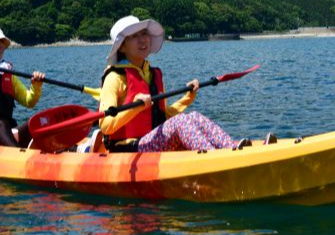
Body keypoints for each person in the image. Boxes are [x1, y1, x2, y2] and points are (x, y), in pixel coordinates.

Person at [98, 14, 256, 153]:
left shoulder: (152, 74)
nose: (143, 39)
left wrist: (188, 97)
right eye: (134, 36)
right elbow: (105, 125)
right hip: (128, 149)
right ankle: (213, 156)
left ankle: (230, 148)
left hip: (153, 142)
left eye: (144, 33)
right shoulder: (114, 78)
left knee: (194, 116)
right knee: (181, 122)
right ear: (122, 46)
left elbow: (163, 116)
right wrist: (134, 108)